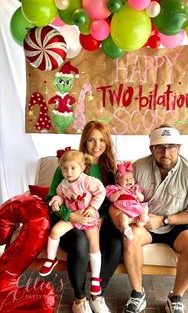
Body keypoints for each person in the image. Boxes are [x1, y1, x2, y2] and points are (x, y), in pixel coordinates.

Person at [110, 125, 188, 313]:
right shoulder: (137, 167)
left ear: (179, 148)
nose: (166, 153)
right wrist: (121, 217)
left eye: (171, 147)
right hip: (143, 222)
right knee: (130, 238)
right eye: (159, 147)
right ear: (151, 149)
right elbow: (120, 197)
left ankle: (176, 297)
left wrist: (164, 220)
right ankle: (138, 293)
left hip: (178, 223)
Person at [45, 121, 123, 313]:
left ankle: (97, 294)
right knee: (80, 243)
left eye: (101, 140)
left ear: (107, 142)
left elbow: (111, 199)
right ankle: (79, 300)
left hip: (97, 220)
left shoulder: (110, 167)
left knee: (116, 243)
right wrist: (71, 215)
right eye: (91, 140)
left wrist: (101, 218)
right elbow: (52, 197)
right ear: (84, 141)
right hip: (69, 220)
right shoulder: (69, 164)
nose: (97, 145)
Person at [40, 150, 106, 296]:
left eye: (72, 168)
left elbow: (101, 192)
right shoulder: (63, 185)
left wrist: (92, 207)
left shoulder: (88, 180)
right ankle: (51, 259)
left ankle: (95, 278)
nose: (68, 172)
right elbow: (59, 196)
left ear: (82, 167)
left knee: (94, 246)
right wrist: (56, 201)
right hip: (72, 217)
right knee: (55, 232)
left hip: (88, 217)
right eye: (64, 168)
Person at [106, 161, 149, 240]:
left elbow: (142, 199)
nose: (129, 181)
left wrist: (137, 193)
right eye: (125, 179)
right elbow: (112, 198)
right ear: (117, 181)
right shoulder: (116, 188)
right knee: (122, 217)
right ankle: (126, 229)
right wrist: (118, 193)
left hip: (134, 208)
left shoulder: (135, 188)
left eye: (131, 179)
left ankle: (142, 219)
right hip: (124, 209)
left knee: (145, 207)